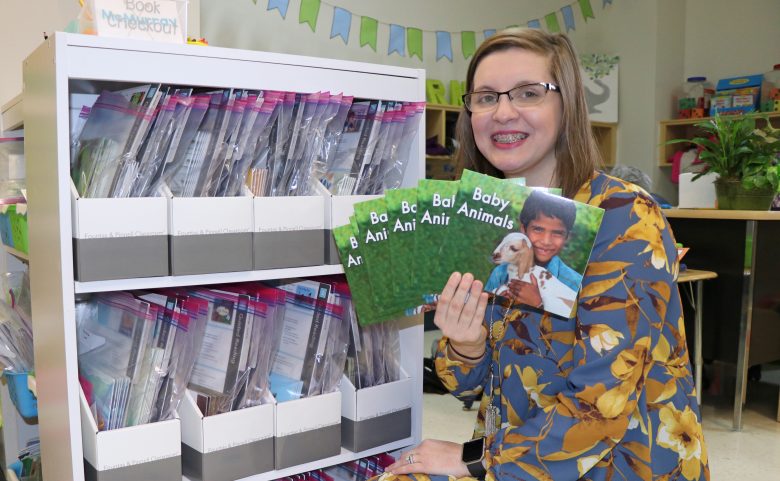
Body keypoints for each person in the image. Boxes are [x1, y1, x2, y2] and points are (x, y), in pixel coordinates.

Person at [384, 28, 709, 481]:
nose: (502, 112)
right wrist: (466, 343)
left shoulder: (626, 216)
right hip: (518, 449)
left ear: (568, 104)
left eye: (528, 93)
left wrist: (474, 459)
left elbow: (602, 403)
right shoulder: (486, 215)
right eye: (484, 97)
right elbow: (465, 385)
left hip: (617, 463)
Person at [484, 189, 582, 308]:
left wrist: (538, 304)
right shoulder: (500, 273)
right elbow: (485, 310)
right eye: (538, 229)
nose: (546, 241)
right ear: (523, 229)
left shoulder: (575, 284)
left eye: (557, 233)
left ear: (567, 237)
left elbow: (574, 324)